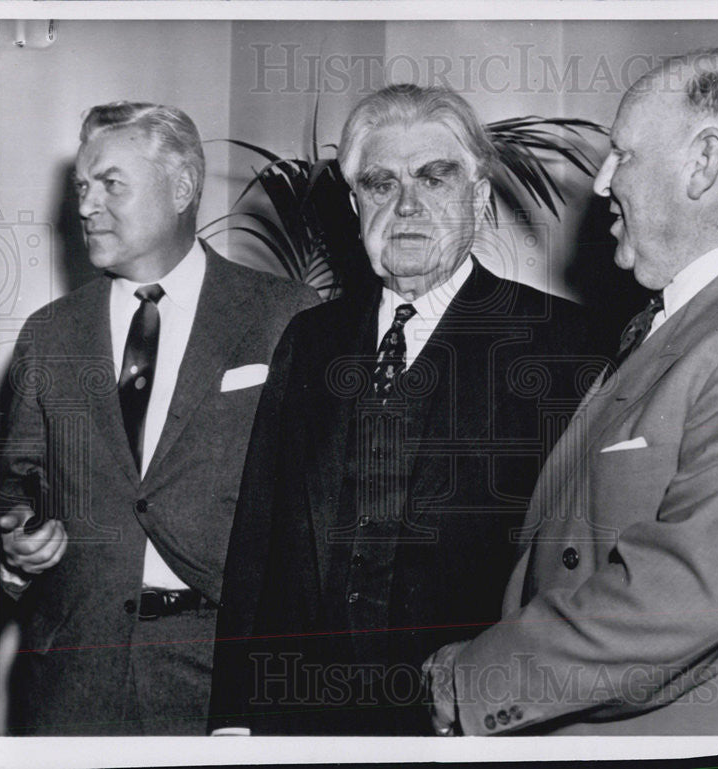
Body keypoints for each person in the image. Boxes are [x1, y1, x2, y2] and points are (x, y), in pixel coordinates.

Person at [423, 48, 718, 736]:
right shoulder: (691, 318)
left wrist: (471, 679)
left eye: (622, 154)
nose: (600, 183)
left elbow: (676, 600)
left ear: (703, 162)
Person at [209, 84, 592, 735]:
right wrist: (235, 716)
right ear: (356, 204)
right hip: (306, 720)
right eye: (381, 184)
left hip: (469, 723)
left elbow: (574, 575)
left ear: (477, 197)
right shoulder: (312, 339)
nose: (407, 205)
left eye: (433, 180)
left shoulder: (559, 345)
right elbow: (260, 539)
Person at [0, 101, 319, 735]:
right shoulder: (49, 335)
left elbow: (316, 508)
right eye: (83, 187)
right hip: (70, 682)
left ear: (181, 187)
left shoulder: (287, 316)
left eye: (110, 183)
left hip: (221, 679)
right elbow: (11, 493)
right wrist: (11, 548)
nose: (86, 205)